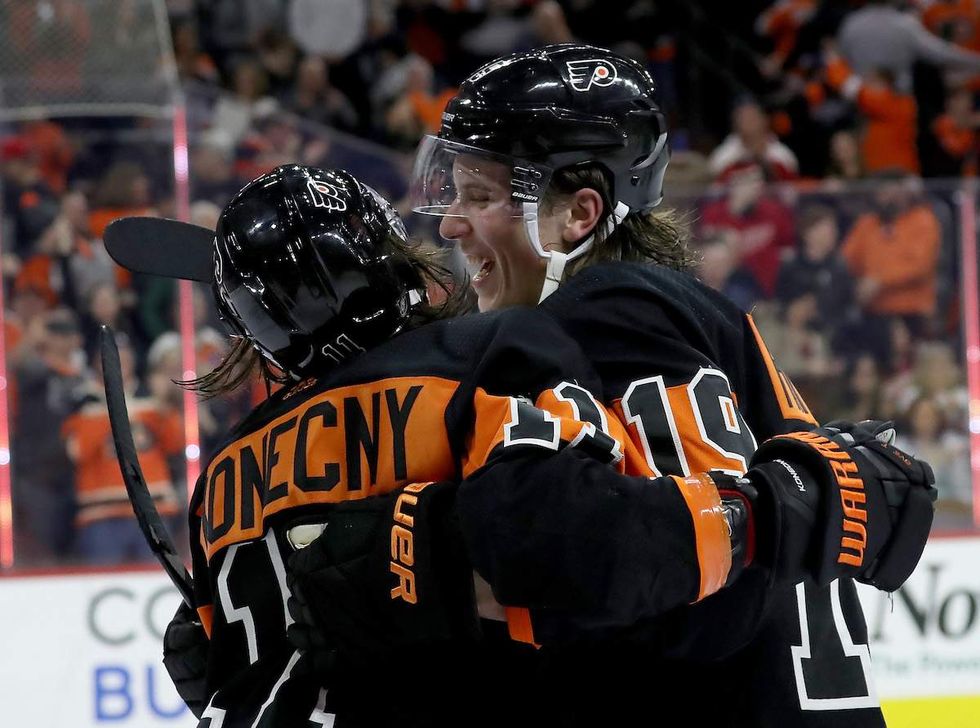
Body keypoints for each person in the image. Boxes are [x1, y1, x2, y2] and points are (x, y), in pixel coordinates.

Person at [137, 162, 934, 726]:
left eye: (478, 195)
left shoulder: (221, 474)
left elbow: (227, 657)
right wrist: (766, 512)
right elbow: (578, 555)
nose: (454, 227)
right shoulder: (487, 354)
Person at [296, 44, 934, 727]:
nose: (450, 222)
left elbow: (708, 598)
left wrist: (437, 557)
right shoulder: (671, 311)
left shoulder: (608, 309)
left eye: (479, 196)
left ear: (579, 214)